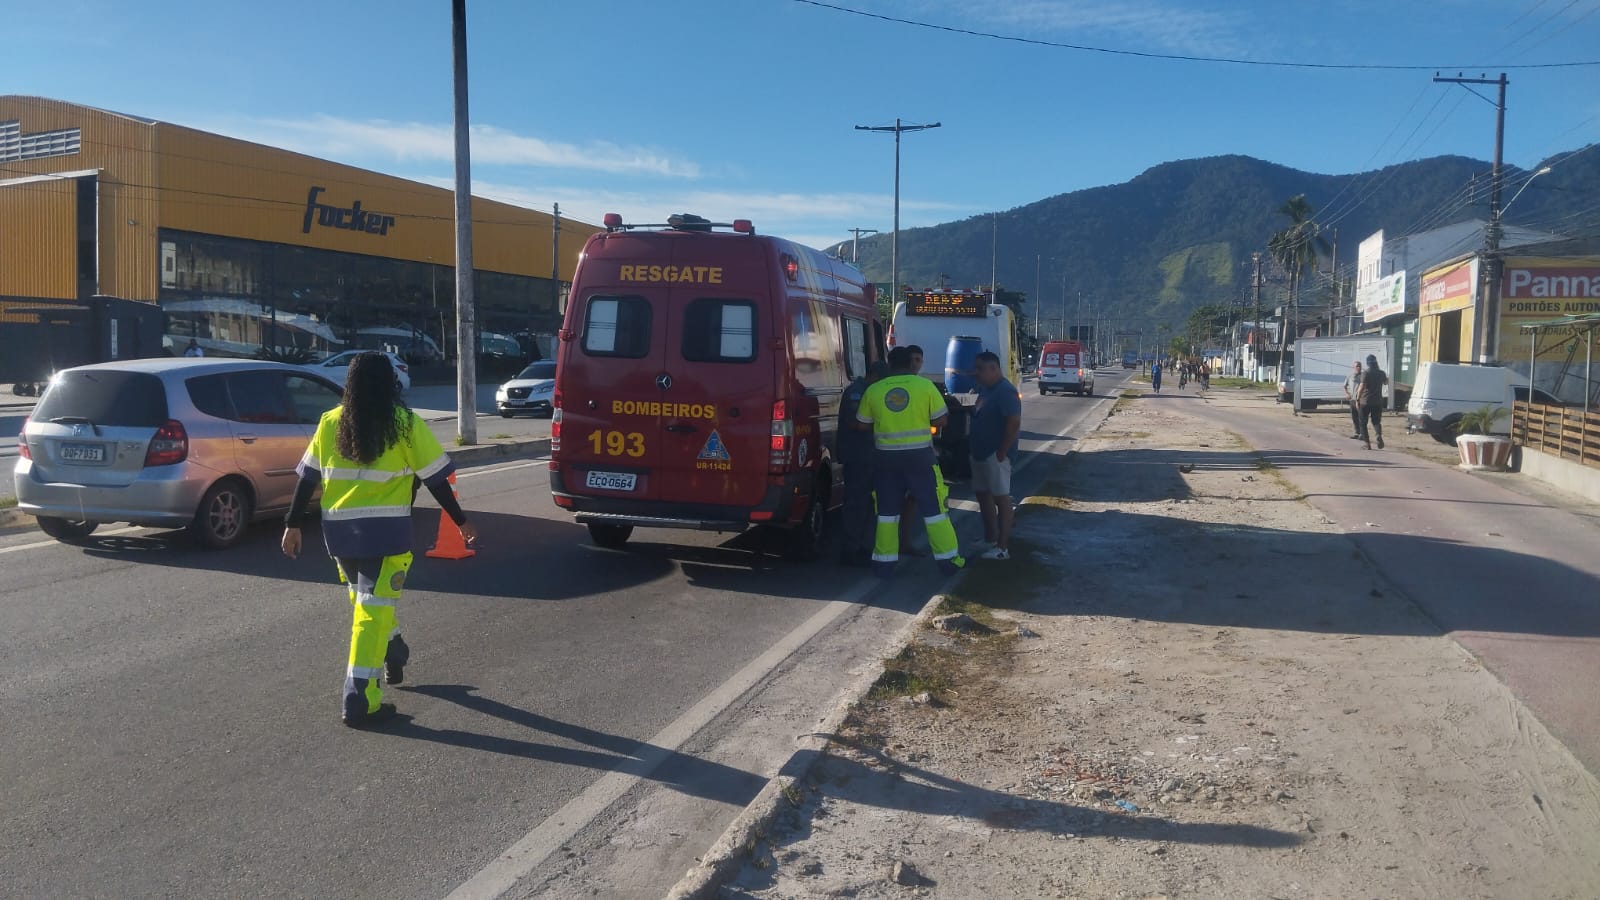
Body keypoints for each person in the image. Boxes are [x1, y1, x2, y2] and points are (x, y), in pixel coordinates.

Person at [281, 352, 478, 727]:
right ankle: (359, 699)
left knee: (366, 604)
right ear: (390, 383)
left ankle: (395, 648)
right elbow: (437, 479)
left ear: (350, 384)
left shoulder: (331, 422)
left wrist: (291, 525)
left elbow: (307, 479)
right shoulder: (404, 425)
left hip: (340, 536)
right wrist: (461, 520)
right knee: (370, 613)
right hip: (386, 536)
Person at [855, 347, 964, 577]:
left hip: (885, 460)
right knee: (935, 512)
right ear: (910, 363)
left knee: (886, 514)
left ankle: (884, 565)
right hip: (920, 459)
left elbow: (862, 424)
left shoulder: (874, 390)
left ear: (889, 364)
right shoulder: (924, 386)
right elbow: (942, 420)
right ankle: (949, 562)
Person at [969, 351, 1021, 561]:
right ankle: (990, 538)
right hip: (979, 452)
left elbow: (1013, 422)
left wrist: (1002, 450)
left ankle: (1002, 547)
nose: (977, 373)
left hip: (996, 454)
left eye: (980, 368)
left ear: (994, 368)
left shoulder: (1005, 391)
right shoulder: (984, 389)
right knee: (983, 495)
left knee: (1001, 498)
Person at [837, 361, 890, 566]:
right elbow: (857, 423)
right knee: (856, 504)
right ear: (874, 376)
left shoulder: (870, 392)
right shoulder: (856, 393)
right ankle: (850, 550)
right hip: (857, 457)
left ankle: (864, 547)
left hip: (870, 456)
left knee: (869, 505)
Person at [1357, 354, 1390, 451]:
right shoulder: (1381, 373)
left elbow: (1362, 386)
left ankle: (1367, 444)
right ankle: (1378, 434)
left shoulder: (1366, 373)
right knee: (1376, 421)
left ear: (1367, 363)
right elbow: (1386, 382)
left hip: (1365, 401)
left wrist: (1358, 398)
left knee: (1363, 423)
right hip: (1378, 401)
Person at [1343, 360, 1365, 440]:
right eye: (1357, 366)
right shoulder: (1350, 376)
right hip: (1352, 400)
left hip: (1360, 400)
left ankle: (1362, 434)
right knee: (1354, 417)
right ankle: (1357, 433)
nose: (1358, 367)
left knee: (1361, 417)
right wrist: (1347, 393)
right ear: (1353, 367)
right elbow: (1344, 386)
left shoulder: (1363, 376)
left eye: (1360, 366)